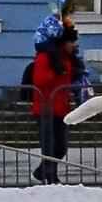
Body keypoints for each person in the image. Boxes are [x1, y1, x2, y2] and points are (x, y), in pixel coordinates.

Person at [29, 29, 84, 185]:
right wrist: (56, 72)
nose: (74, 45)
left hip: (62, 108)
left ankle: (42, 172)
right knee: (49, 146)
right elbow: (38, 80)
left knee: (60, 147)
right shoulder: (45, 57)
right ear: (63, 42)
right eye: (71, 41)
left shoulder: (67, 58)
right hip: (45, 108)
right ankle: (50, 176)